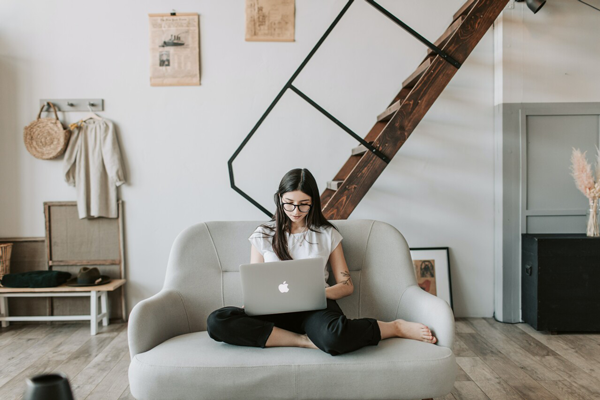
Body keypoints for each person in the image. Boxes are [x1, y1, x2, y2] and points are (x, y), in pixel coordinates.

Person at [206, 168, 437, 356]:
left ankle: (394, 327)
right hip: (272, 311)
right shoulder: (263, 234)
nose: (295, 211)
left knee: (335, 337)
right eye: (289, 203)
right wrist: (255, 302)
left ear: (313, 202)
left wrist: (316, 293)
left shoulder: (327, 234)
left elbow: (346, 285)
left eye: (303, 204)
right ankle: (302, 341)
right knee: (217, 321)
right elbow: (255, 282)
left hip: (315, 307)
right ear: (279, 199)